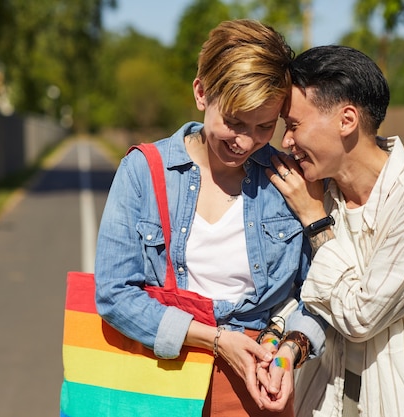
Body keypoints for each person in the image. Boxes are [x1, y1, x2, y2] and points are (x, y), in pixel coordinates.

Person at [94, 19, 311, 417]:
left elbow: (314, 295)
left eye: (265, 126)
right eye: (233, 121)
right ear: (201, 93)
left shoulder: (288, 181)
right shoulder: (144, 170)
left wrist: (287, 355)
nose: (246, 141)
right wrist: (215, 340)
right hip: (159, 382)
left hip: (260, 386)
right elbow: (114, 293)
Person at [256, 45, 404, 416]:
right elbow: (299, 289)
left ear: (347, 120)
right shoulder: (319, 189)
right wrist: (283, 340)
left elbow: (360, 316)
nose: (286, 142)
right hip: (326, 401)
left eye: (293, 125)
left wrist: (315, 221)